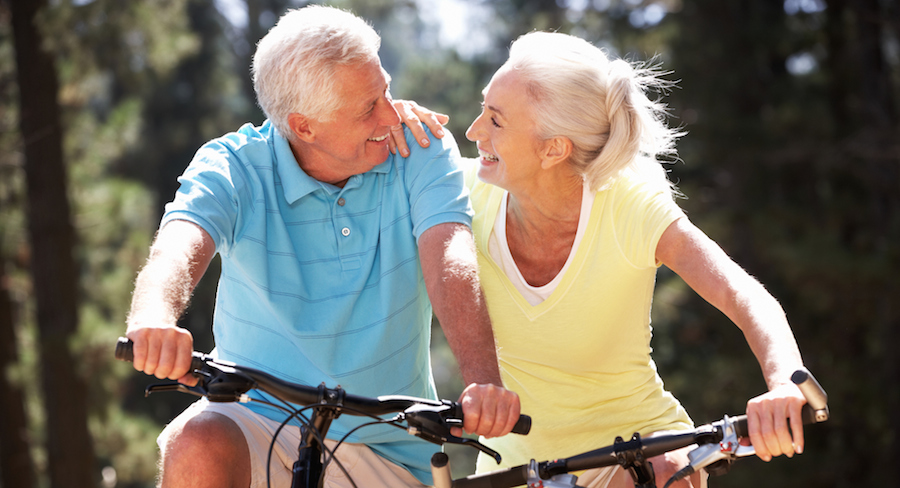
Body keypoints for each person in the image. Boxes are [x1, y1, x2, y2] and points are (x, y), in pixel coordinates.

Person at [123, 6, 520, 488]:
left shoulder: (418, 145)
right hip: (258, 419)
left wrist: (483, 381)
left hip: (388, 441)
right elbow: (177, 246)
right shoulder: (232, 166)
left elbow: (449, 257)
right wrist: (153, 319)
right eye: (367, 108)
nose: (391, 114)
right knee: (199, 441)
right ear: (304, 126)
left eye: (386, 91)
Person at [397, 31, 809, 487]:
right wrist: (386, 127)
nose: (473, 132)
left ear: (554, 148)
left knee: (666, 473)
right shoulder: (461, 195)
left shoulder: (629, 206)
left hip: (642, 452)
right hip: (520, 467)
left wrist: (786, 382)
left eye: (496, 120)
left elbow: (742, 293)